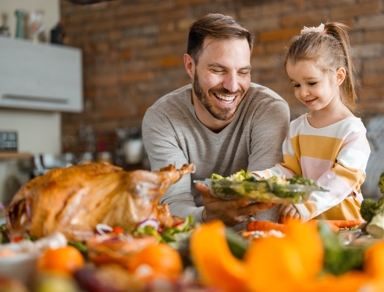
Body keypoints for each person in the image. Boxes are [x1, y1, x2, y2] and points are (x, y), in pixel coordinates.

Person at [142, 13, 290, 230]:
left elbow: (265, 207)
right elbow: (172, 205)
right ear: (190, 66)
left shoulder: (269, 109)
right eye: (218, 70)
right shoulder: (162, 118)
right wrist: (208, 218)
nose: (232, 86)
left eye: (243, 72)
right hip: (193, 239)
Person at [253, 22, 371, 223]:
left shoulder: (352, 131)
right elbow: (290, 172)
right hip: (305, 225)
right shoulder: (297, 128)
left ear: (338, 76)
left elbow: (342, 179)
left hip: (345, 224)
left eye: (312, 83)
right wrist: (263, 178)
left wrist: (307, 204)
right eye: (296, 84)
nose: (303, 92)